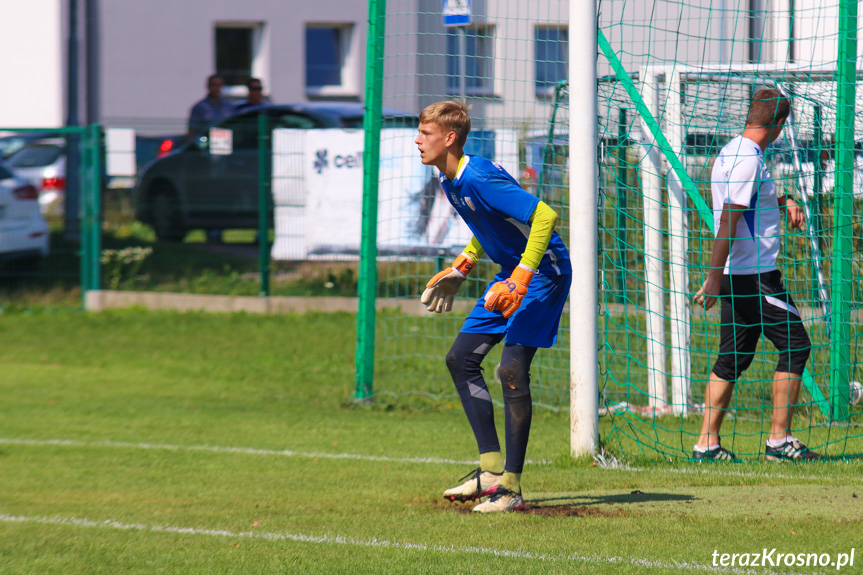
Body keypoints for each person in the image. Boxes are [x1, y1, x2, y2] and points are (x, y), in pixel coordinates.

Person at [415, 101, 572, 512]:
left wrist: (521, 277)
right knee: (461, 359)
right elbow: (489, 226)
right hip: (512, 272)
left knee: (511, 370)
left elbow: (545, 216)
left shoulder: (478, 177)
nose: (417, 141)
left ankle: (511, 489)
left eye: (425, 134)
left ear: (449, 138)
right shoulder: (450, 181)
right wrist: (463, 267)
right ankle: (488, 472)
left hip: (545, 273)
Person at [692, 88, 821, 462]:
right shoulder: (749, 160)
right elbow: (730, 221)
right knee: (797, 346)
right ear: (778, 124)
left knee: (731, 358)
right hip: (755, 276)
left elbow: (751, 201)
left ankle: (707, 444)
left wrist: (786, 200)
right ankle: (779, 442)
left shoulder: (731, 153)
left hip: (739, 275)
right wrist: (713, 277)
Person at [187, 74, 236, 140]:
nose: (216, 89)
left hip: (227, 141)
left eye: (219, 86)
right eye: (214, 85)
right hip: (207, 142)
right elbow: (193, 130)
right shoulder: (200, 107)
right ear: (208, 86)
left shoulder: (228, 106)